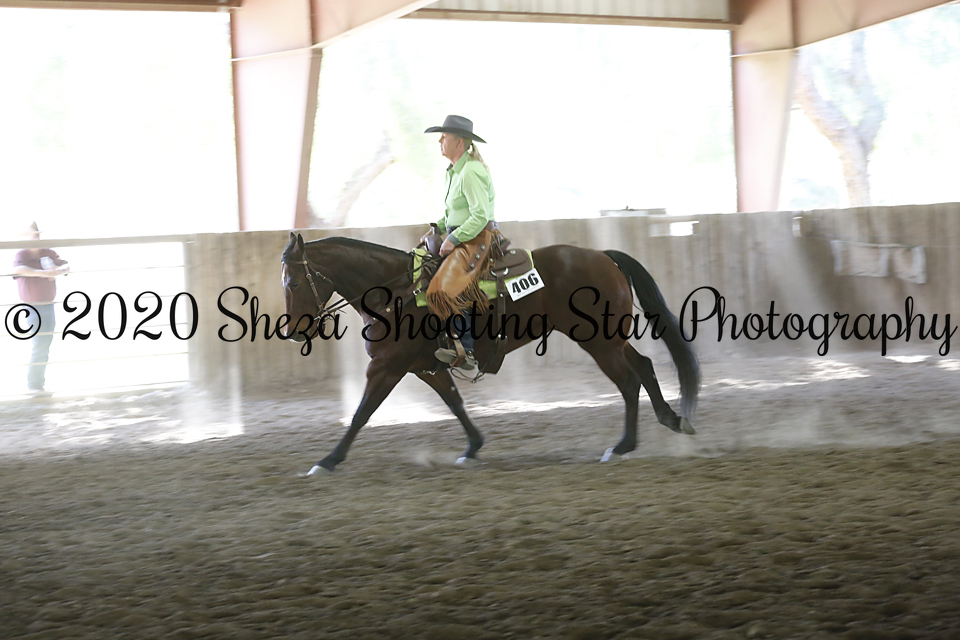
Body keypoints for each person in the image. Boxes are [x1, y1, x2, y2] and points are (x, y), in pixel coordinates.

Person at [420, 115, 502, 371]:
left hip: (477, 238)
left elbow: (479, 216)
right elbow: (455, 213)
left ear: (459, 142)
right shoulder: (454, 172)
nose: (440, 141)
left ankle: (465, 350)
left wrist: (453, 239)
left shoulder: (470, 172)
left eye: (444, 137)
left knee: (442, 289)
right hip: (466, 235)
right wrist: (437, 228)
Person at [12, 222, 69, 394]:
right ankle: (34, 385)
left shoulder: (48, 252)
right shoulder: (22, 254)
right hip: (32, 306)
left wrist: (57, 270)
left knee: (45, 343)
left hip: (48, 305)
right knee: (39, 344)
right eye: (32, 235)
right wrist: (42, 273)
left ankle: (37, 384)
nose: (35, 237)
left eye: (37, 234)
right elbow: (19, 269)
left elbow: (66, 265)